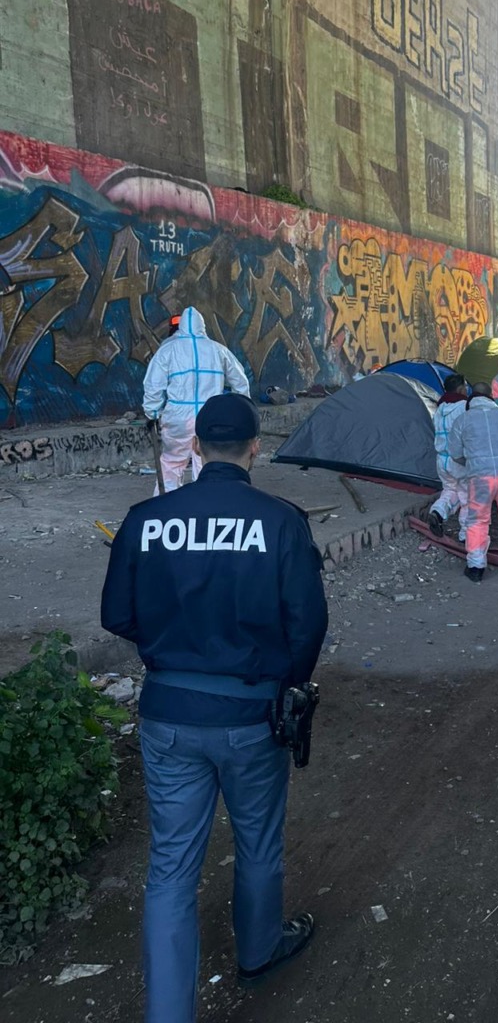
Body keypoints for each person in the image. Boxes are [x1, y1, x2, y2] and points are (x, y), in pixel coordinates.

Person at [101, 394, 328, 1022]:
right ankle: (258, 953)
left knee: (171, 867)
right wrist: (288, 684)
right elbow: (307, 623)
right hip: (254, 716)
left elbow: (117, 614)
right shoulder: (281, 522)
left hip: (168, 714)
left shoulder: (146, 518)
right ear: (255, 447)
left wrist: (175, 646)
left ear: (196, 446)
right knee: (258, 843)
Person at [143, 306, 250, 494]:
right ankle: (205, 505)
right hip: (210, 417)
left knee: (171, 463)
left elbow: (153, 385)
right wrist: (240, 410)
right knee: (206, 463)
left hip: (178, 417)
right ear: (203, 326)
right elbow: (240, 381)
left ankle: (165, 506)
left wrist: (152, 413)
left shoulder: (167, 350)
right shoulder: (218, 350)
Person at [448, 380, 498, 582]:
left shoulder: (462, 420)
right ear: (491, 397)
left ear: (471, 399)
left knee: (477, 521)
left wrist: (471, 462)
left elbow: (455, 453)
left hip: (480, 479)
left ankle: (476, 568)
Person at [429, 373, 470, 540]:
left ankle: (437, 512)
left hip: (442, 460)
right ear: (461, 388)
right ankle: (466, 535)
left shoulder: (439, 409)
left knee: (450, 489)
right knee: (468, 496)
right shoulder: (465, 407)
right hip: (459, 460)